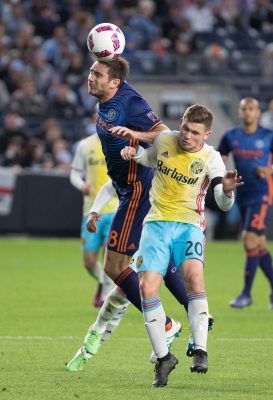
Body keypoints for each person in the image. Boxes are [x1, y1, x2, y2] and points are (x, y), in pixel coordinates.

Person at [66, 56, 191, 371]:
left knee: (116, 265)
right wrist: (96, 208)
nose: (90, 77)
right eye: (91, 71)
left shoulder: (130, 101)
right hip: (123, 191)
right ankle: (182, 319)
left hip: (138, 192)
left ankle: (168, 324)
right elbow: (116, 173)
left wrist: (137, 137)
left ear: (114, 81)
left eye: (97, 73)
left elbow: (166, 135)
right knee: (138, 268)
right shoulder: (104, 106)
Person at [119, 104, 243, 387]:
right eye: (185, 128)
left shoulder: (212, 159)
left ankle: (200, 349)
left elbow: (222, 205)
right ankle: (164, 358)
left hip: (189, 225)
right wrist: (134, 154)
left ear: (206, 134)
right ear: (181, 123)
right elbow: (151, 159)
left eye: (195, 132)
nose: (187, 135)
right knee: (146, 287)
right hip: (156, 223)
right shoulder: (165, 140)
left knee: (193, 277)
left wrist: (227, 191)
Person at [219, 97, 273, 309]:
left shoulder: (268, 136)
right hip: (241, 194)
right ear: (240, 112)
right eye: (244, 109)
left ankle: (246, 294)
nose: (248, 112)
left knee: (249, 239)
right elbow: (219, 158)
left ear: (258, 113)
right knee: (258, 244)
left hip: (262, 194)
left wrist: (269, 170)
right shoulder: (231, 136)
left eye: (251, 109)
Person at [70, 133, 117, 307]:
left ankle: (106, 293)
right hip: (91, 209)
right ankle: (104, 282)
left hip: (115, 209)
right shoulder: (85, 144)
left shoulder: (120, 143)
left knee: (109, 257)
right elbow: (74, 173)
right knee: (89, 261)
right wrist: (82, 185)